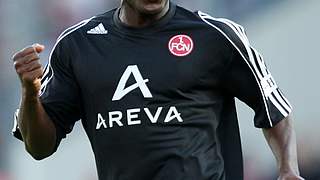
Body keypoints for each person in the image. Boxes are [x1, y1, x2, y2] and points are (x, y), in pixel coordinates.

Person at [11, 0, 304, 179]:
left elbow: (273, 108)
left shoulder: (215, 36)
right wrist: (30, 91)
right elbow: (39, 147)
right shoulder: (78, 46)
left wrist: (288, 169)